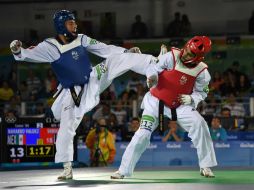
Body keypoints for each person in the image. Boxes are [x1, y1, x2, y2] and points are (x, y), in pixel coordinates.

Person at [10, 10, 155, 180]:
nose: (75, 25)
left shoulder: (81, 38)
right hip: (73, 92)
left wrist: (125, 52)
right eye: (71, 23)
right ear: (61, 25)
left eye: (74, 22)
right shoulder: (49, 46)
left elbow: (104, 48)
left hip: (93, 78)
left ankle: (154, 65)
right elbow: (27, 55)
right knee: (67, 126)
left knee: (114, 61)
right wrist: (18, 50)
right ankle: (66, 167)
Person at [111, 36, 217, 179]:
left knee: (200, 124)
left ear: (198, 57)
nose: (185, 54)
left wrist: (192, 98)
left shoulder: (202, 72)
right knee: (142, 134)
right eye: (186, 49)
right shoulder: (171, 57)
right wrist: (153, 76)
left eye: (190, 54)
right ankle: (123, 171)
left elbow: (202, 92)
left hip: (180, 105)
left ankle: (206, 166)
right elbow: (153, 68)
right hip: (155, 102)